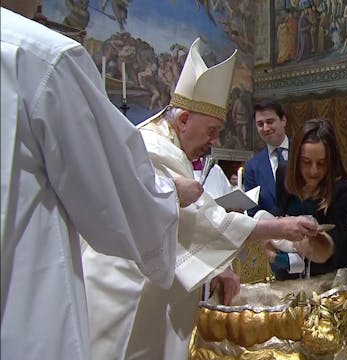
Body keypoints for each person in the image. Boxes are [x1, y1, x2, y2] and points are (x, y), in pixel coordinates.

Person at [82, 38, 322, 360]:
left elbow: (188, 229)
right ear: (183, 121)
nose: (213, 142)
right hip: (127, 294)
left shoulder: (165, 146)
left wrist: (213, 270)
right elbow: (207, 222)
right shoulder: (155, 150)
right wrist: (282, 228)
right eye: (211, 130)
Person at [0, 2, 201, 359]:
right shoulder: (43, 59)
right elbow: (119, 202)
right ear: (183, 120)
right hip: (24, 314)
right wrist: (172, 193)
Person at [270, 118, 347, 279]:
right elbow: (278, 214)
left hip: (325, 277)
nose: (313, 171)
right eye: (306, 162)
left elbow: (330, 249)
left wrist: (294, 239)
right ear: (295, 159)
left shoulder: (342, 190)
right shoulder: (283, 174)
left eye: (322, 163)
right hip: (287, 275)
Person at [244, 98, 290, 216]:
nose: (265, 128)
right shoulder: (252, 166)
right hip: (271, 232)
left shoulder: (302, 152)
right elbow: (252, 209)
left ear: (283, 120)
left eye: (270, 122)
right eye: (260, 124)